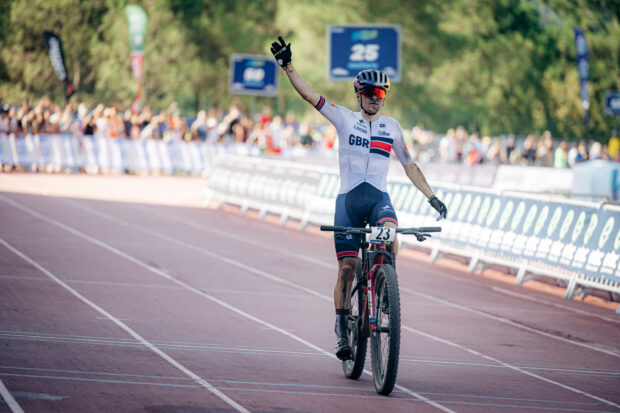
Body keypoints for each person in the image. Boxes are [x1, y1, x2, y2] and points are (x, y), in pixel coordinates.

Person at [271, 36, 448, 360]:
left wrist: (431, 197)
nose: (375, 99)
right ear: (359, 94)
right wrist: (288, 66)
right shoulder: (344, 118)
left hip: (378, 198)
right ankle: (341, 328)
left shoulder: (392, 127)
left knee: (391, 232)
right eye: (369, 93)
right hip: (348, 204)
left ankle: (385, 288)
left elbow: (409, 164)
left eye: (380, 94)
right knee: (347, 268)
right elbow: (311, 95)